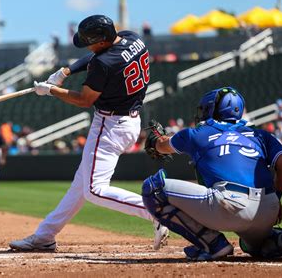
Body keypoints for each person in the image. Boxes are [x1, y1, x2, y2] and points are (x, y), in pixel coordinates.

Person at [9, 14, 169, 252]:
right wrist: (66, 71)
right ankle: (45, 236)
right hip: (129, 120)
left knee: (95, 190)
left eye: (90, 41)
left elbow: (84, 100)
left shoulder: (104, 64)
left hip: (110, 125)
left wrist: (51, 90)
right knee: (81, 185)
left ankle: (156, 212)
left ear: (102, 40)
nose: (87, 46)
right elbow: (95, 55)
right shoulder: (131, 38)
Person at [141, 87, 282, 261]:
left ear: (212, 110)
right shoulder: (260, 134)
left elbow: (160, 145)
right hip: (267, 209)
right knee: (252, 245)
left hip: (228, 204)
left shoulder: (197, 133)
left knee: (153, 189)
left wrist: (156, 139)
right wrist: (277, 198)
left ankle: (213, 244)